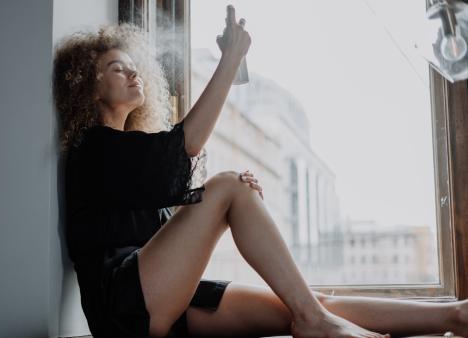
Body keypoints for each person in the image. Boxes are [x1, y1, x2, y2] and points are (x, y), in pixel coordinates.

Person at [53, 6, 468, 338]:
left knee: (307, 300)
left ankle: (453, 316)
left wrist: (221, 206)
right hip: (122, 306)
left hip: (160, 299)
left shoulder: (126, 157)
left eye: (132, 66)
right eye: (116, 68)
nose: (133, 72)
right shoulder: (93, 147)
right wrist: (230, 60)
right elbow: (184, 148)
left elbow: (161, 219)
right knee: (228, 186)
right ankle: (316, 322)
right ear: (88, 85)